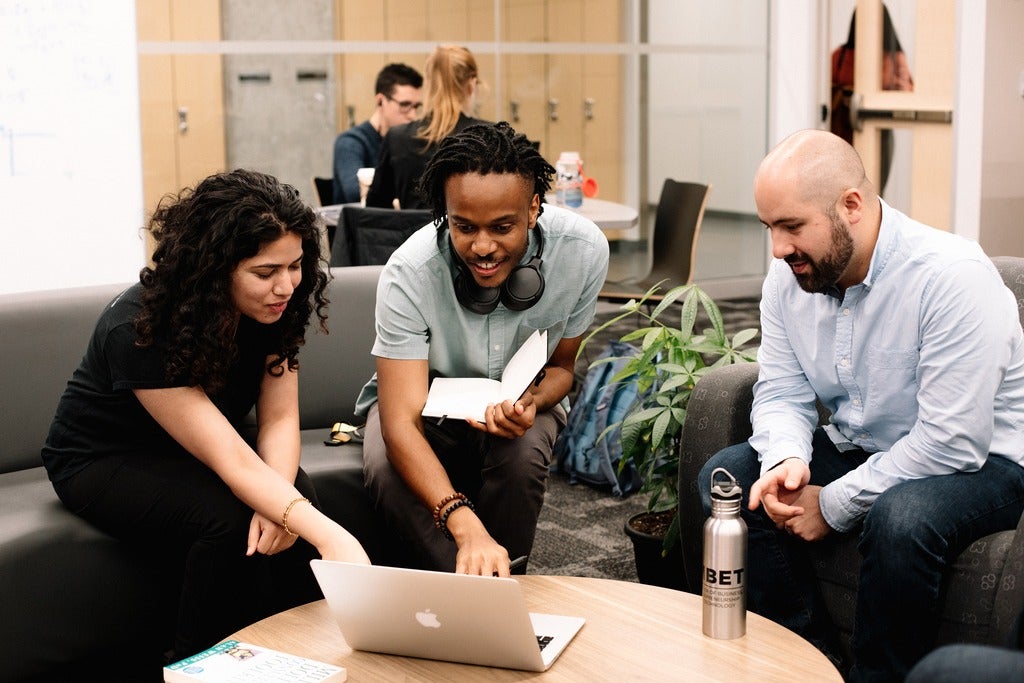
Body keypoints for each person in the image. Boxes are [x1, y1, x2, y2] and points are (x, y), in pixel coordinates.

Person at [698, 129, 1024, 682]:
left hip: (985, 462)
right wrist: (786, 461)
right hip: (867, 445)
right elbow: (781, 392)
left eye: (792, 226)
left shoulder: (950, 276)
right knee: (730, 479)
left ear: (851, 205)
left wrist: (832, 503)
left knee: (902, 517)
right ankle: (808, 665)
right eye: (768, 227)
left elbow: (950, 442)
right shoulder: (788, 279)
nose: (777, 248)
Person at [41, 169, 370, 664]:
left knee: (294, 496)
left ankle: (299, 657)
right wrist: (332, 537)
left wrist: (281, 505)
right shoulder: (138, 327)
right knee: (231, 520)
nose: (285, 286)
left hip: (195, 448)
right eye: (265, 272)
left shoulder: (275, 307)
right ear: (215, 269)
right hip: (103, 458)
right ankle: (199, 664)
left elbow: (280, 419)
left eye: (295, 265)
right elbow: (230, 459)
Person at [357, 121, 609, 576]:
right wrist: (464, 524)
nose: (483, 247)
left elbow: (562, 369)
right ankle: (470, 589)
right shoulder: (410, 272)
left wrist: (530, 402)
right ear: (445, 214)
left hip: (521, 399)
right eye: (464, 227)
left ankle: (502, 586)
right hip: (423, 403)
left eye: (502, 227)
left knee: (523, 453)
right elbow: (400, 423)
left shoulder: (582, 252)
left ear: (533, 208)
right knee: (383, 462)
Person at [365, 45, 490, 210]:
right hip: (472, 227)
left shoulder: (397, 138)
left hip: (415, 228)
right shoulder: (490, 137)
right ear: (472, 85)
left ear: (429, 84)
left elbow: (376, 211)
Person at [830, 4, 913, 194]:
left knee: (873, 192)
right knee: (840, 192)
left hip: (878, 133)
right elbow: (824, 92)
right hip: (841, 133)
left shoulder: (894, 57)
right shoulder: (840, 55)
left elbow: (908, 95)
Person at [331, 63, 423, 205]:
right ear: (381, 101)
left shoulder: (408, 142)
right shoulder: (350, 142)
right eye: (405, 105)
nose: (412, 115)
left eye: (416, 106)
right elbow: (355, 193)